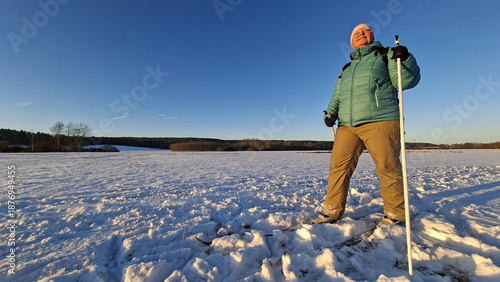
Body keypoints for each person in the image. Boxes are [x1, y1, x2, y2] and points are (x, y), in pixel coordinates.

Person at [313, 23, 420, 225]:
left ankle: (396, 214)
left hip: (381, 120)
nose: (361, 34)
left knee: (387, 168)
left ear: (372, 36)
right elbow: (338, 95)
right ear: (352, 43)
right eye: (356, 33)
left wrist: (406, 59)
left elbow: (404, 82)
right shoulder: (346, 68)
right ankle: (331, 211)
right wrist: (331, 113)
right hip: (347, 125)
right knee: (338, 168)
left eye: (366, 31)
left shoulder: (386, 54)